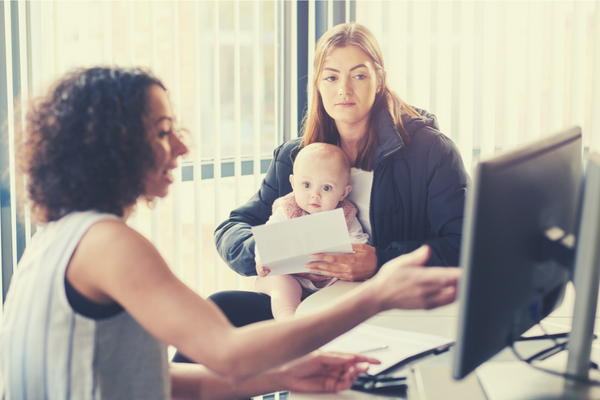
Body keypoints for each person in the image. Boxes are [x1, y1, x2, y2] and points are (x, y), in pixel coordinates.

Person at [0, 66, 461, 400]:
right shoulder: (108, 245)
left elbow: (155, 383)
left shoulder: (59, 238)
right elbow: (231, 354)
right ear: (113, 149)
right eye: (163, 132)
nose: (182, 146)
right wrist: (378, 295)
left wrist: (283, 378)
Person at [211, 22, 470, 327]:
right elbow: (232, 228)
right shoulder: (296, 158)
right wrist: (260, 250)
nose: (344, 90)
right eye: (331, 77)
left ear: (379, 81)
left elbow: (465, 244)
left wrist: (380, 260)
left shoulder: (431, 152)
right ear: (318, 85)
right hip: (304, 306)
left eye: (358, 76)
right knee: (218, 310)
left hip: (386, 309)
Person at [254, 142, 369, 320]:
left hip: (332, 278)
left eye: (326, 188)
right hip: (293, 275)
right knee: (281, 283)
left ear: (343, 193)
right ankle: (288, 318)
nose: (315, 195)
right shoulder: (287, 209)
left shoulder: (345, 215)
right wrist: (262, 260)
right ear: (293, 183)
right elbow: (267, 238)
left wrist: (352, 257)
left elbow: (359, 242)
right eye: (306, 185)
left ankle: (332, 320)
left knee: (351, 287)